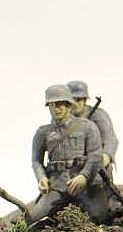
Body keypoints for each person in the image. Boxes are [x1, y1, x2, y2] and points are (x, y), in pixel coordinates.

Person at [28, 84, 115, 224]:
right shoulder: (43, 132)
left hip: (86, 184)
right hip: (57, 185)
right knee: (35, 219)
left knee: (101, 217)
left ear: (69, 105)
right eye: (52, 105)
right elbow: (36, 161)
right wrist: (41, 177)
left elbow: (95, 156)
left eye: (60, 104)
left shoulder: (88, 127)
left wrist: (84, 176)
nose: (56, 109)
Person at [67, 80, 117, 169]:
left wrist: (105, 157)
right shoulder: (62, 119)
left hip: (94, 164)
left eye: (78, 100)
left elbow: (110, 140)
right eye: (72, 100)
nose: (75, 104)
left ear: (85, 100)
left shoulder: (98, 115)